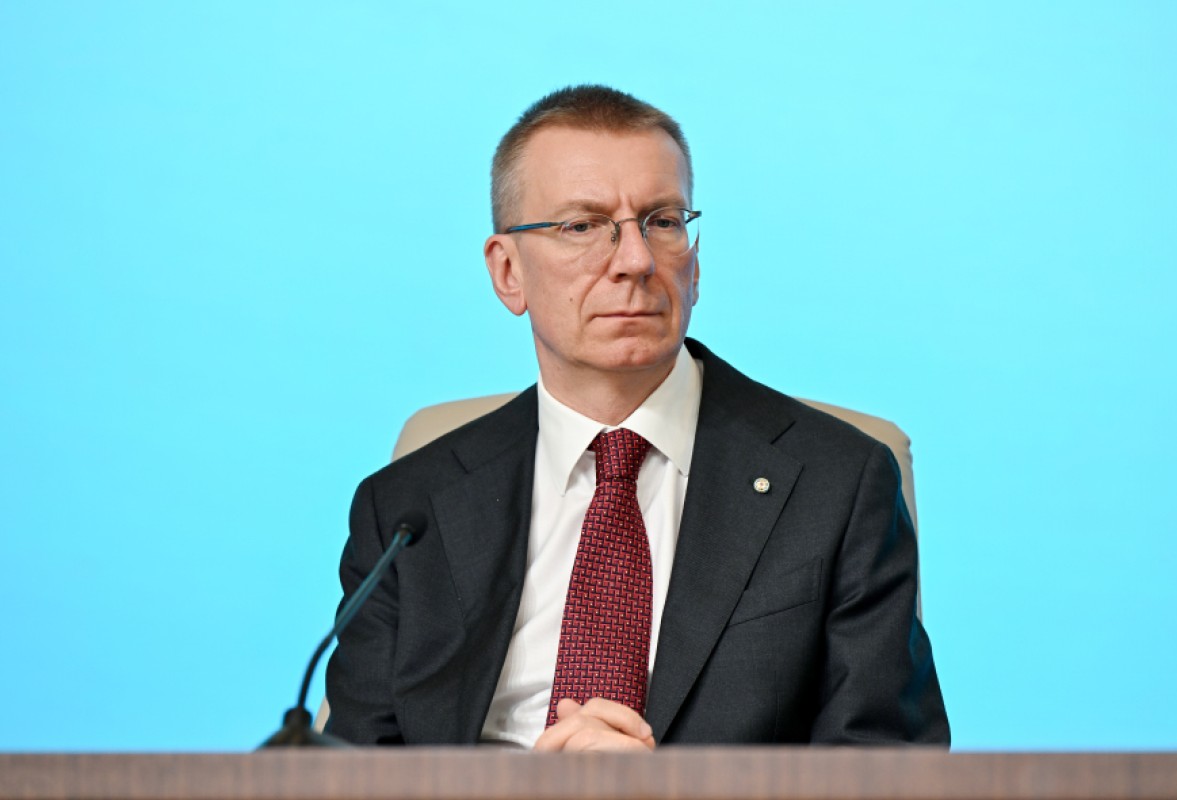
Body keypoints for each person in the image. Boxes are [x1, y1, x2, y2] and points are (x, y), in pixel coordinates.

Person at [324, 85, 949, 750]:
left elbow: (889, 769)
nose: (636, 261)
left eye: (663, 221)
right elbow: (347, 774)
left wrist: (667, 794)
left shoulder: (837, 483)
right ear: (508, 272)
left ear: (695, 264)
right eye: (581, 226)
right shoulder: (406, 511)